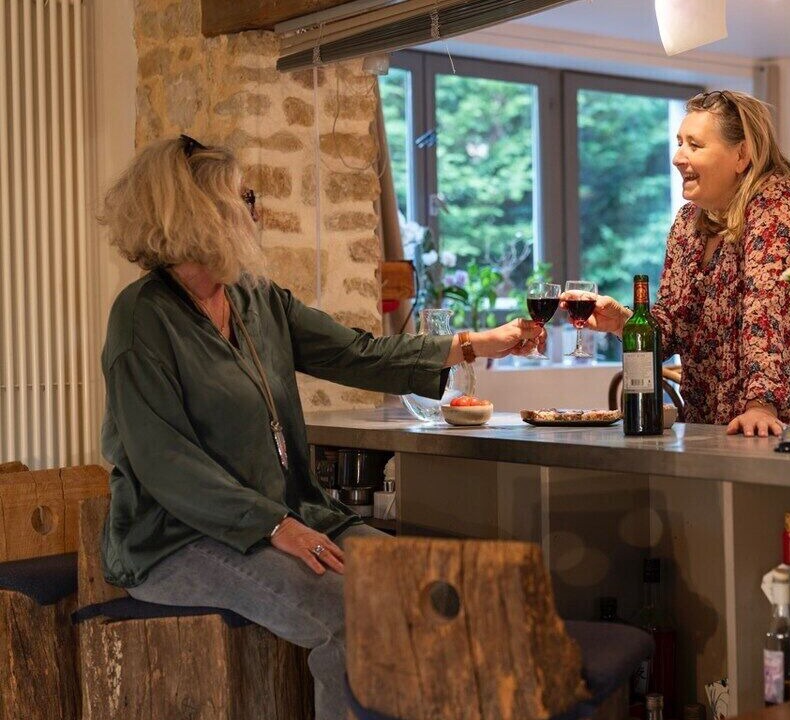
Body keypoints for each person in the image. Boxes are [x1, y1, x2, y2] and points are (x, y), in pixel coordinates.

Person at [97, 135, 544, 720]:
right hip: (178, 542)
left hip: (288, 518)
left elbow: (357, 354)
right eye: (245, 198)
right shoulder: (142, 320)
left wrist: (470, 346)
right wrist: (274, 525)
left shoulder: (256, 299)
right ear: (201, 214)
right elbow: (166, 466)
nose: (256, 212)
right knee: (353, 618)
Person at [566, 90, 790, 436]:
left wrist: (761, 404)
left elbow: (769, 312)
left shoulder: (780, 204)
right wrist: (624, 322)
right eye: (679, 143)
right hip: (709, 424)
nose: (678, 157)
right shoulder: (689, 221)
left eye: (695, 145)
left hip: (779, 428)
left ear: (742, 154)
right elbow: (674, 327)